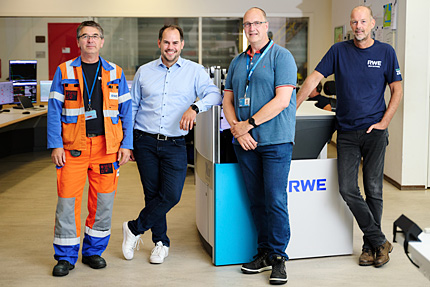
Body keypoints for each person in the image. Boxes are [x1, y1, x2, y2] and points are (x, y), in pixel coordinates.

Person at [297, 6, 403, 268]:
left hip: (375, 132)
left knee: (374, 190)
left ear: (372, 23)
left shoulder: (386, 52)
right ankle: (379, 241)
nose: (358, 26)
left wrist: (384, 122)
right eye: (354, 22)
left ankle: (370, 248)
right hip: (346, 131)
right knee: (347, 188)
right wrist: (292, 107)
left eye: (363, 21)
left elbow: (397, 89)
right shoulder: (338, 51)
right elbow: (314, 79)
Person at [122, 24, 222, 264]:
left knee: (171, 195)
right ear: (159, 44)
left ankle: (134, 228)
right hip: (144, 140)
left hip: (175, 143)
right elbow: (133, 107)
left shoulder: (194, 71)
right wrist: (128, 143)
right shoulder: (144, 72)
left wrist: (195, 107)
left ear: (182, 45)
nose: (171, 47)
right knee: (152, 194)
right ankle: (161, 242)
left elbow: (215, 94)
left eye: (175, 43)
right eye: (166, 42)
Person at [48, 21, 133, 277]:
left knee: (103, 202)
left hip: (107, 148)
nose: (90, 40)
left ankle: (93, 252)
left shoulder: (115, 72)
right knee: (67, 202)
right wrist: (55, 144)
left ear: (102, 41)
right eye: (85, 36)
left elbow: (126, 112)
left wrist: (127, 144)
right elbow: (53, 111)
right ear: (78, 42)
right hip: (73, 147)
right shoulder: (64, 71)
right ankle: (65, 257)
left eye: (95, 36)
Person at [222, 7, 297, 285]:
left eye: (256, 23)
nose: (252, 28)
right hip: (246, 143)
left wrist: (247, 124)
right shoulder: (238, 62)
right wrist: (237, 129)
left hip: (275, 141)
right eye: (247, 24)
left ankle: (279, 257)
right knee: (257, 200)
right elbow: (227, 101)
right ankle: (264, 252)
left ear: (266, 25)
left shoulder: (282, 56)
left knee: (276, 199)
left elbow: (282, 100)